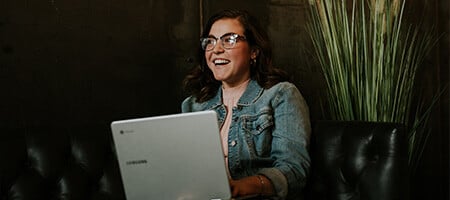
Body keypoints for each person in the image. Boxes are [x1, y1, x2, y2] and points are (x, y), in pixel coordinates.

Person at [181, 9, 311, 200]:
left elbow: (293, 171)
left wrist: (239, 188)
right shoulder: (193, 105)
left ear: (253, 51)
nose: (216, 49)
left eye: (229, 40)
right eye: (210, 41)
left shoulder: (281, 94)